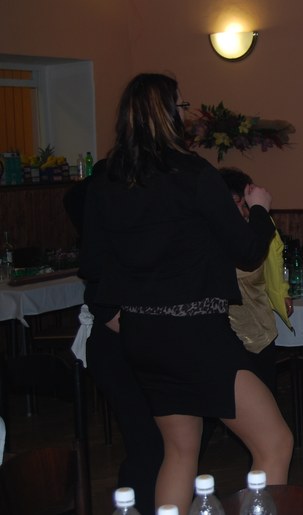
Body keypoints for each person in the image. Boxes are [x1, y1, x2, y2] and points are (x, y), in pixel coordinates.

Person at [79, 73, 293, 512]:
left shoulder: (106, 180)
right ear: (166, 114)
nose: (185, 114)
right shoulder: (192, 174)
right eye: (181, 106)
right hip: (195, 334)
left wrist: (112, 315)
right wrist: (259, 209)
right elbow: (247, 251)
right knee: (275, 442)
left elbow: (94, 263)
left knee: (179, 451)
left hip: (143, 336)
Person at [64, 172, 164, 515]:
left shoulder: (120, 243)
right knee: (147, 442)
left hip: (134, 350)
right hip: (118, 353)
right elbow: (116, 317)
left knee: (157, 442)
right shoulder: (103, 257)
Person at [220, 167, 293, 393]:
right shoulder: (216, 237)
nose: (244, 212)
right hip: (230, 337)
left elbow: (273, 261)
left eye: (246, 205)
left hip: (261, 333)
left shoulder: (257, 228)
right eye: (237, 204)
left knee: (266, 395)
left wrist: (281, 293)